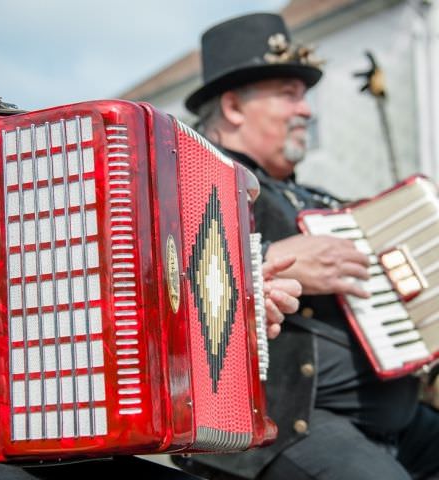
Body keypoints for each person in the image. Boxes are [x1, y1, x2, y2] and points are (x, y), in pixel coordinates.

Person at [0, 85, 301, 479]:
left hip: (11, 430)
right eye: (288, 94)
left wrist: (238, 300)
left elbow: (73, 277)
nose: (303, 109)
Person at [171, 12, 439, 480]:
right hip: (285, 425)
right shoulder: (194, 183)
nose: (307, 110)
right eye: (288, 95)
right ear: (233, 107)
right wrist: (272, 260)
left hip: (399, 422)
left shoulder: (318, 198)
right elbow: (165, 289)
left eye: (305, 96)